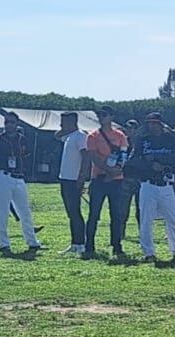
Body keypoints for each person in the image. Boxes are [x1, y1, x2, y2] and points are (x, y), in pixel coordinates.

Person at [127, 113, 175, 267]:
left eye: (155, 123)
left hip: (166, 184)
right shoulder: (142, 141)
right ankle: (149, 253)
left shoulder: (170, 139)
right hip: (148, 184)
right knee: (146, 220)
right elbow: (133, 161)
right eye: (150, 123)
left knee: (173, 220)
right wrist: (149, 165)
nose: (152, 126)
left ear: (161, 124)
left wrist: (164, 166)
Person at [0, 112, 42, 254]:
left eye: (12, 122)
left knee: (25, 211)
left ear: (17, 124)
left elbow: (26, 156)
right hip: (3, 175)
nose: (9, 125)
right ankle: (4, 244)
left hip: (18, 177)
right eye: (6, 122)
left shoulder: (22, 139)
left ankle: (32, 242)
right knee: (3, 211)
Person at [84, 107, 132, 261]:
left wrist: (115, 172)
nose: (101, 117)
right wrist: (107, 171)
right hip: (99, 179)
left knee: (116, 215)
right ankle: (89, 246)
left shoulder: (120, 136)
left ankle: (116, 245)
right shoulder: (93, 136)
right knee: (94, 214)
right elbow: (93, 157)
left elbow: (124, 156)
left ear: (111, 116)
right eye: (99, 115)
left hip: (116, 180)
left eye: (104, 115)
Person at [55, 112, 89, 255]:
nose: (61, 125)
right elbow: (56, 135)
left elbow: (86, 157)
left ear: (72, 122)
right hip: (65, 178)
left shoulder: (80, 136)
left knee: (75, 212)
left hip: (74, 179)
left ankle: (80, 243)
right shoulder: (68, 137)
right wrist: (63, 129)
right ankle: (74, 243)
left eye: (63, 123)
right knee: (71, 212)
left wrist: (82, 177)